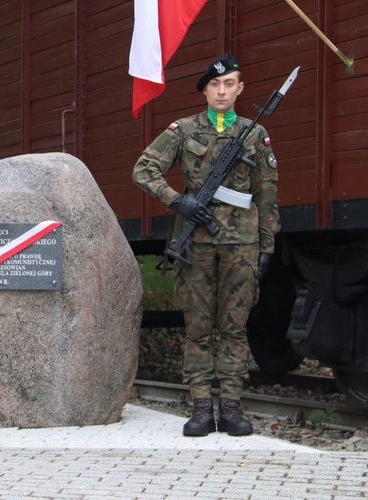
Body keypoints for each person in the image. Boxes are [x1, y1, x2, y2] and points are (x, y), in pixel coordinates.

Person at [132, 54, 280, 437]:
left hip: (242, 245)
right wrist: (178, 200)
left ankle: (231, 408)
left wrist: (267, 247)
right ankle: (200, 408)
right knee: (198, 327)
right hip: (196, 243)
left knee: (234, 327)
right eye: (215, 85)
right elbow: (143, 169)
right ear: (205, 90)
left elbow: (266, 195)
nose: (222, 91)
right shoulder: (183, 130)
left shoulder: (254, 133)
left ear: (240, 89)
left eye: (229, 84)